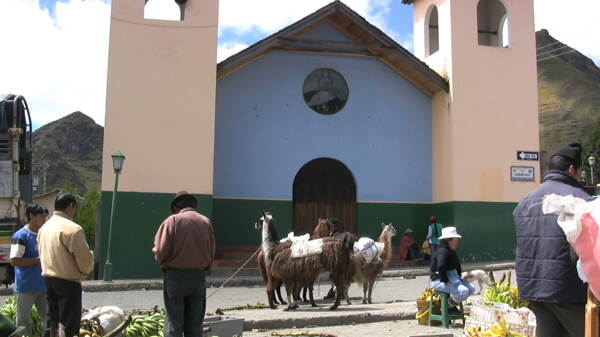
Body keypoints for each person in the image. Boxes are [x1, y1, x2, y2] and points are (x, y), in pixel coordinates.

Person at [514, 142, 589, 337]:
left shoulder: (526, 200)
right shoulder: (578, 199)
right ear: (572, 169)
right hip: (567, 290)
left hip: (534, 288)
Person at [153, 191, 215, 337]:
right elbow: (211, 251)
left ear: (176, 207)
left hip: (175, 277)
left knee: (174, 322)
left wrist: (159, 257)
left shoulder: (172, 221)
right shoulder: (206, 222)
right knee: (195, 324)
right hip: (198, 277)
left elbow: (161, 251)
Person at [37, 192, 94, 337]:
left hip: (49, 279)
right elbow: (85, 261)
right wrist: (86, 269)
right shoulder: (73, 229)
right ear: (70, 206)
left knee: (51, 320)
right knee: (69, 324)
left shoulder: (45, 228)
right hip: (68, 282)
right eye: (74, 208)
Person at [10, 204, 48, 337]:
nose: (44, 219)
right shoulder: (21, 236)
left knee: (49, 318)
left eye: (45, 216)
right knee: (23, 321)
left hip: (44, 286)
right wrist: (38, 260)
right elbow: (14, 260)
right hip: (26, 287)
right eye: (41, 216)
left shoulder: (44, 234)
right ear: (31, 216)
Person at [430, 227, 474, 313]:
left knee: (471, 288)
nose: (457, 242)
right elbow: (441, 266)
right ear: (448, 240)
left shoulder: (451, 251)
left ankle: (451, 305)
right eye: (455, 240)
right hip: (439, 281)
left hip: (453, 280)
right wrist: (445, 280)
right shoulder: (443, 251)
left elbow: (457, 266)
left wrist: (459, 278)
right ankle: (447, 307)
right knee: (463, 291)